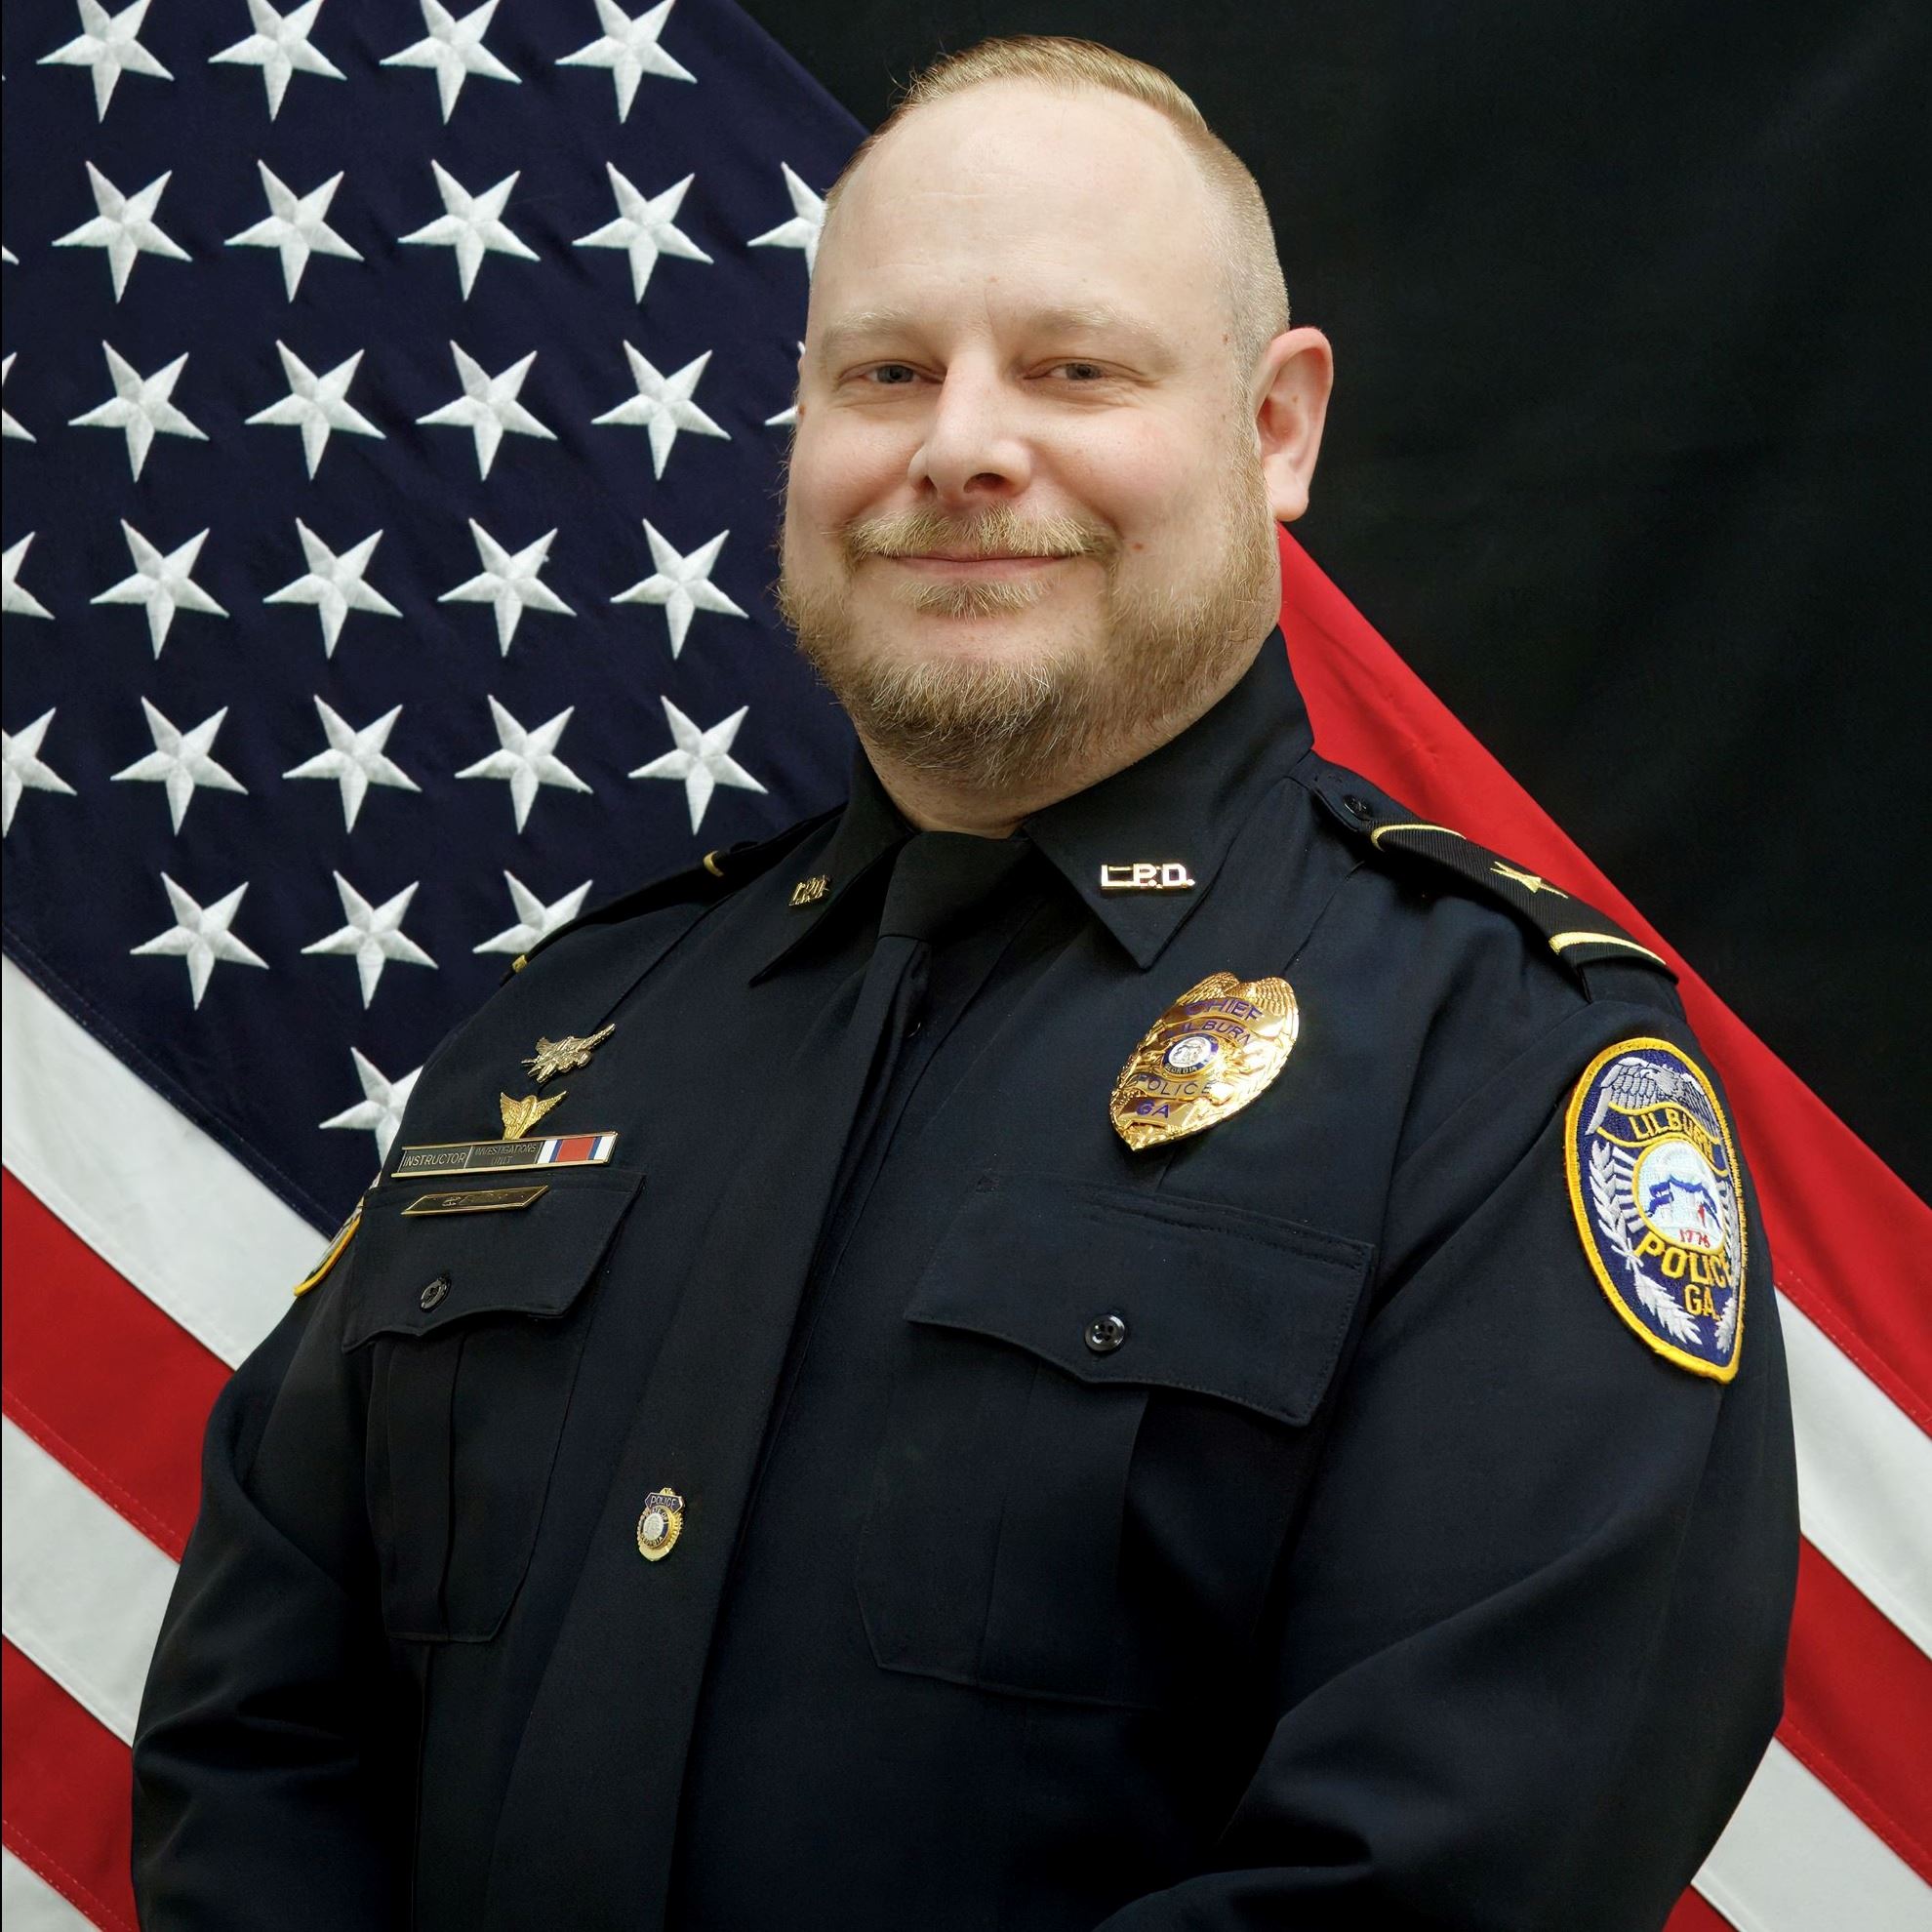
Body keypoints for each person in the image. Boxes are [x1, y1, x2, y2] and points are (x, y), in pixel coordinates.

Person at [132, 34, 1796, 1932]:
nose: (960, 446)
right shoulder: (568, 1030)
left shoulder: (1501, 1072)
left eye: (1075, 368)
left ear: (1278, 427)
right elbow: (254, 1738)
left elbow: (1440, 1875)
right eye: (886, 373)